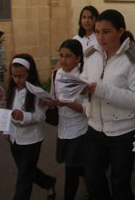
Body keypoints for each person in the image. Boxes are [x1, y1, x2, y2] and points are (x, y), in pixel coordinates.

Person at [81, 9, 135, 200]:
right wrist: (80, 90)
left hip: (122, 132)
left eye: (106, 31)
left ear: (120, 31)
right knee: (92, 181)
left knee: (120, 184)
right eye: (97, 31)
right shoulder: (91, 53)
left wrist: (101, 89)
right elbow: (85, 80)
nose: (100, 37)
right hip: (94, 127)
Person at [4, 54, 56, 200]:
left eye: (21, 76)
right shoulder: (12, 90)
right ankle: (48, 182)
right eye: (14, 76)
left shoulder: (36, 92)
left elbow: (40, 116)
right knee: (27, 171)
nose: (17, 80)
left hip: (31, 140)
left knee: (24, 179)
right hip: (15, 139)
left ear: (29, 74)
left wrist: (24, 116)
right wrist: (7, 130)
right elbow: (8, 111)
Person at [49, 39, 88, 200]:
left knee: (70, 169)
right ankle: (94, 184)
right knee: (78, 167)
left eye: (68, 56)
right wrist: (47, 102)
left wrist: (68, 104)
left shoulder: (84, 77)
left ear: (78, 58)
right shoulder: (56, 74)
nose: (63, 60)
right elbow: (53, 97)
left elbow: (88, 109)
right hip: (63, 129)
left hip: (80, 130)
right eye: (61, 56)